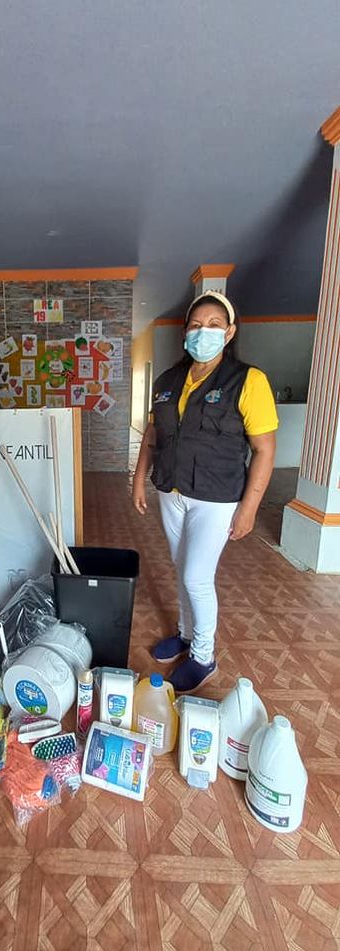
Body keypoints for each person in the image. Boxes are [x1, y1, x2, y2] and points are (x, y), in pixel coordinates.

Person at [132, 290, 278, 694]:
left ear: (229, 332)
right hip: (172, 491)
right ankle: (183, 633)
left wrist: (249, 509)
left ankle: (203, 655)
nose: (204, 332)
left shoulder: (248, 381)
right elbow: (153, 433)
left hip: (217, 497)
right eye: (196, 325)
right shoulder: (168, 380)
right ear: (185, 333)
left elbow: (265, 449)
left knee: (196, 576)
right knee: (182, 566)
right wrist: (139, 477)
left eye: (214, 325)